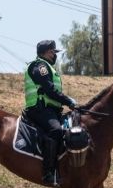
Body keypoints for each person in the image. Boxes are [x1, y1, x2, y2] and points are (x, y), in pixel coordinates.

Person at [23, 40, 78, 186]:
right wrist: (68, 101)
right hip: (39, 109)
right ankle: (48, 173)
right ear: (45, 52)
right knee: (56, 130)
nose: (55, 55)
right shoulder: (40, 66)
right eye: (53, 52)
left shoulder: (47, 67)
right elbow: (49, 89)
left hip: (51, 110)